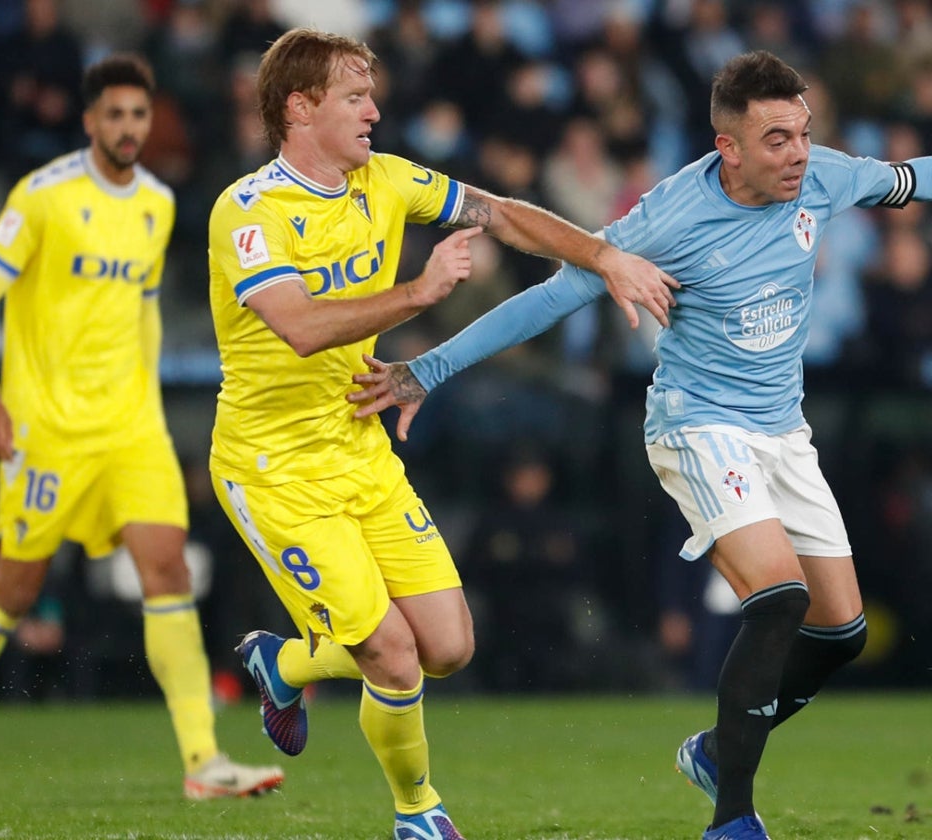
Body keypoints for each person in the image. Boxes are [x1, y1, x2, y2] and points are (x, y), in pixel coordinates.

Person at [347, 50, 914, 840]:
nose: (797, 154)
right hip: (697, 424)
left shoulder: (824, 176)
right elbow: (550, 297)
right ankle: (733, 819)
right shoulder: (669, 218)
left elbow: (910, 177)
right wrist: (429, 368)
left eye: (804, 133)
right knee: (779, 600)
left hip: (784, 431)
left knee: (841, 632)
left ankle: (720, 750)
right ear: (730, 147)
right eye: (777, 139)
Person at [206, 28, 676, 839]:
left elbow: (501, 214)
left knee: (449, 646)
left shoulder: (386, 180)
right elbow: (299, 326)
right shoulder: (247, 210)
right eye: (356, 97)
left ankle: (280, 662)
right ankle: (418, 812)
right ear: (300, 107)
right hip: (273, 467)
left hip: (360, 449)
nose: (376, 111)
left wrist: (601, 258)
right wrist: (421, 294)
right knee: (390, 651)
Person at [0, 53, 283, 803]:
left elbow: (142, 306)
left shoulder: (158, 202)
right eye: (113, 114)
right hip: (46, 431)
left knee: (168, 569)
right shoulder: (43, 196)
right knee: (12, 590)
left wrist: (145, 401)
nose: (127, 128)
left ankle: (203, 761)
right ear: (89, 122)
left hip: (128, 429)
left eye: (138, 115)